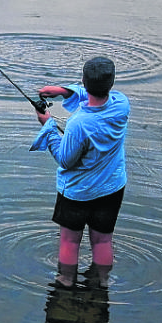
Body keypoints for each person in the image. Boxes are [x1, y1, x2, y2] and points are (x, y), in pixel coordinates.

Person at [32, 56, 129, 288]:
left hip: (78, 192)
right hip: (112, 188)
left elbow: (66, 160)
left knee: (70, 241)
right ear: (112, 83)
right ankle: (102, 281)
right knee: (103, 240)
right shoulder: (122, 104)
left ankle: (66, 281)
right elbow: (95, 93)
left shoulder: (80, 123)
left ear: (83, 81)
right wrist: (63, 91)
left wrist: (48, 126)